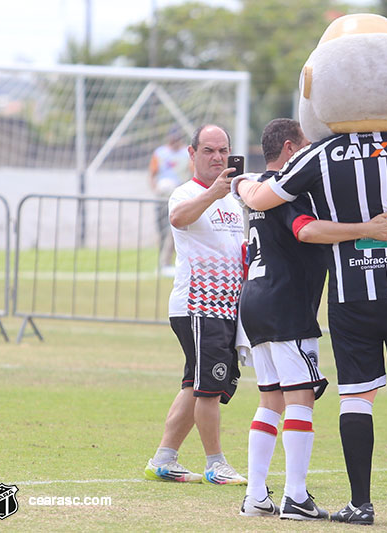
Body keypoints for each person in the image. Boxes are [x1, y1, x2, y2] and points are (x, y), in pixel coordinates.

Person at [233, 130, 387, 526]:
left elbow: (257, 198)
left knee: (311, 397)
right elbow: (305, 229)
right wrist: (365, 227)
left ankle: (347, 503)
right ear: (289, 148)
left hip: (281, 297)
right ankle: (299, 496)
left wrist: (239, 181)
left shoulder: (314, 161)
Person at [144, 124, 248, 486]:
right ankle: (215, 463)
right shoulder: (185, 193)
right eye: (208, 150)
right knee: (209, 387)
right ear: (192, 154)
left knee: (194, 383)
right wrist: (214, 193)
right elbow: (178, 218)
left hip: (225, 307)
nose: (217, 157)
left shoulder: (235, 201)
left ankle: (164, 458)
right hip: (198, 305)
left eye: (223, 150)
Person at [149, 126, 191, 276]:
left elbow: (191, 172)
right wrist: (155, 189)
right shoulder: (160, 153)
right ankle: (162, 263)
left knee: (173, 230)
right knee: (161, 230)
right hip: (162, 196)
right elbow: (152, 174)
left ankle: (168, 262)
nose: (174, 142)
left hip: (177, 196)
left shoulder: (186, 154)